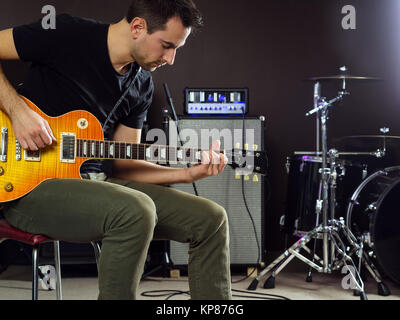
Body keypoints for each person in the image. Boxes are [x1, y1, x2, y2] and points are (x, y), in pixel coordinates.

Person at [0, 0, 232, 300]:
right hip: (28, 186)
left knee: (211, 219)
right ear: (137, 27)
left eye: (176, 48)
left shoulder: (141, 85)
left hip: (96, 185)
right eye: (166, 45)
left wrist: (186, 173)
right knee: (135, 211)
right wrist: (18, 111)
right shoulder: (65, 33)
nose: (171, 58)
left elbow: (124, 164)